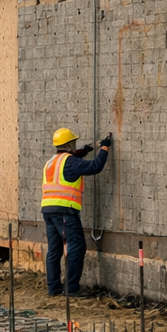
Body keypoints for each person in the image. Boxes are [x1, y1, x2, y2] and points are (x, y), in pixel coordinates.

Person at [40, 127, 112, 296]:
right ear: (70, 144)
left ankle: (54, 288)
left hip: (48, 210)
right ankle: (71, 288)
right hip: (65, 211)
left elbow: (70, 165)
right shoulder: (70, 162)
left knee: (54, 250)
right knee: (77, 247)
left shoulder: (51, 162)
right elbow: (95, 166)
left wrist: (85, 150)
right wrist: (105, 147)